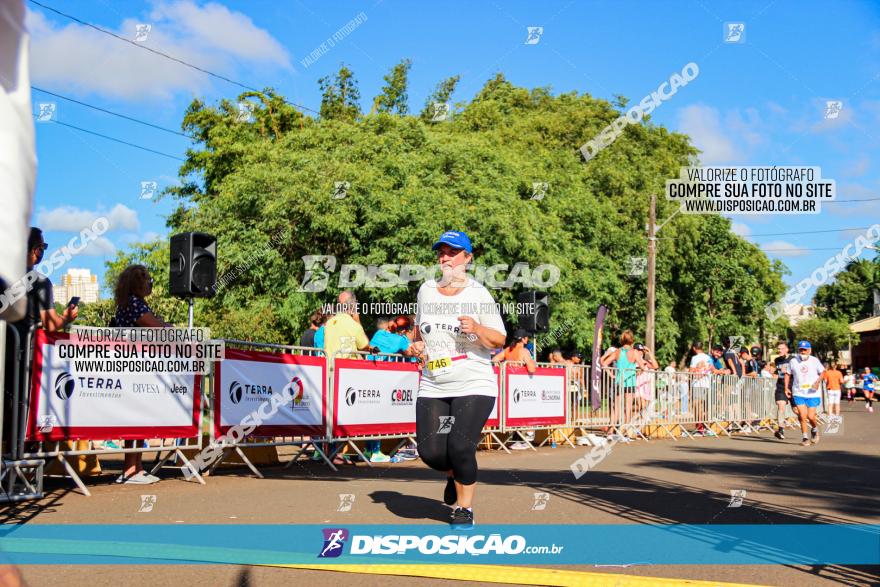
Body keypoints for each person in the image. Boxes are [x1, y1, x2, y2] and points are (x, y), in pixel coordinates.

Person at [410, 230, 506, 529]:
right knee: (430, 452)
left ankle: (464, 508)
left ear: (468, 258)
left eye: (453, 252)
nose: (445, 257)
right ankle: (452, 473)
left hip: (474, 380)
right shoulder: (426, 290)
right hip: (433, 380)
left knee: (461, 447)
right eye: (442, 251)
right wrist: (416, 345)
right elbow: (419, 331)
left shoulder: (478, 294)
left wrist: (477, 327)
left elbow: (498, 340)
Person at [113, 265, 172, 484]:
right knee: (135, 417)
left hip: (137, 367)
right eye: (147, 279)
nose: (151, 283)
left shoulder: (129, 303)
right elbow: (157, 328)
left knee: (139, 417)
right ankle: (130, 469)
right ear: (136, 282)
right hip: (135, 368)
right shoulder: (134, 304)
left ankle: (136, 467)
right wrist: (168, 326)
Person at [492, 329, 537, 450]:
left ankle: (516, 439)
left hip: (508, 386)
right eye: (526, 338)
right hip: (521, 386)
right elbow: (532, 369)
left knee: (513, 412)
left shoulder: (508, 350)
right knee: (526, 411)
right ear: (523, 339)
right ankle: (527, 439)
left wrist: (504, 367)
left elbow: (494, 360)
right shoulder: (524, 351)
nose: (527, 339)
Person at [601, 330, 647, 441]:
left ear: (622, 339)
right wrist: (637, 371)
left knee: (615, 408)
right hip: (630, 382)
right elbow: (643, 366)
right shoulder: (635, 352)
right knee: (628, 408)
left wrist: (611, 374)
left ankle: (610, 432)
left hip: (619, 381)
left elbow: (604, 363)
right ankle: (625, 432)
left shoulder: (617, 351)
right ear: (632, 340)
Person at [785, 340, 825, 446]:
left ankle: (815, 429)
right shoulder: (793, 361)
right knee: (802, 416)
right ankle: (805, 438)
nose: (803, 352)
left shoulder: (815, 360)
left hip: (812, 393)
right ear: (798, 350)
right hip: (798, 392)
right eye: (801, 350)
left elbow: (822, 372)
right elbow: (788, 374)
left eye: (805, 350)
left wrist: (817, 382)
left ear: (809, 350)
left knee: (811, 417)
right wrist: (786, 388)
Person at [323, 291, 369, 360]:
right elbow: (365, 347)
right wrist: (358, 321)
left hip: (329, 367)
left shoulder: (329, 323)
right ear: (353, 305)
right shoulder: (353, 324)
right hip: (346, 369)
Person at [688, 341, 713, 436]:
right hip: (707, 384)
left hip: (698, 384)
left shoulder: (695, 358)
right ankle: (706, 427)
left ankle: (700, 428)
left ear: (694, 348)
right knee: (703, 407)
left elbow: (691, 371)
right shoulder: (708, 357)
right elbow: (712, 368)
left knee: (697, 407)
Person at [773, 341, 794, 439]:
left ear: (787, 349)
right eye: (778, 348)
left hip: (793, 386)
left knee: (796, 410)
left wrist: (789, 371)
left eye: (781, 348)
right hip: (781, 386)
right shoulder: (777, 360)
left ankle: (811, 426)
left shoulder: (793, 359)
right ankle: (781, 429)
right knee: (780, 405)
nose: (779, 350)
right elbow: (777, 373)